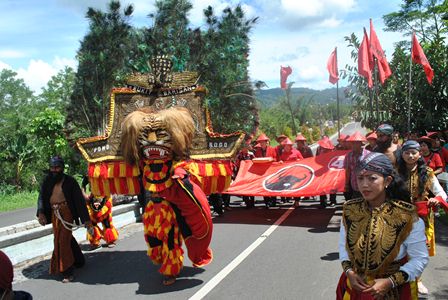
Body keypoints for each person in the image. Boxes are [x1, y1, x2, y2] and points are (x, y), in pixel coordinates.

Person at [337, 152, 429, 299]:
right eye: (360, 178)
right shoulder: (350, 210)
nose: (364, 184)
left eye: (372, 178)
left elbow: (420, 258)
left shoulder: (406, 216)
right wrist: (349, 272)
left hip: (394, 291)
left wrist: (390, 282)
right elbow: (344, 246)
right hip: (356, 287)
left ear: (387, 181)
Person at [396, 140, 447, 295]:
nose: (410, 156)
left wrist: (435, 200)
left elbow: (441, 194)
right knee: (399, 249)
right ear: (402, 154)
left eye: (414, 152)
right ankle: (400, 277)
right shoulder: (395, 172)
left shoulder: (428, 172)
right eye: (407, 152)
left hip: (421, 218)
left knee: (418, 251)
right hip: (399, 216)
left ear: (419, 154)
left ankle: (417, 280)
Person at [36, 156, 91, 283]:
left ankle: (67, 271)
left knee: (63, 240)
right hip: (55, 213)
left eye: (57, 167)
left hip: (67, 212)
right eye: (52, 167)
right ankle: (79, 260)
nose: (54, 170)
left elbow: (79, 201)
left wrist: (86, 220)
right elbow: (41, 198)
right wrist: (41, 213)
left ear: (62, 168)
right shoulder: (47, 181)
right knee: (63, 238)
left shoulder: (70, 182)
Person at [343, 131, 370, 201]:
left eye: (356, 143)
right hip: (354, 186)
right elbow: (348, 171)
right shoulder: (348, 156)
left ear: (361, 143)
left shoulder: (368, 154)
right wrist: (346, 184)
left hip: (366, 186)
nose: (354, 145)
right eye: (352, 143)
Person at [253, 133, 277, 208]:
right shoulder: (257, 151)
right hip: (262, 172)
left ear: (266, 142)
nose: (262, 143)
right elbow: (256, 160)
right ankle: (267, 202)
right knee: (263, 186)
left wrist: (271, 160)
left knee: (272, 186)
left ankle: (273, 201)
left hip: (271, 171)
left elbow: (276, 159)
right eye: (261, 142)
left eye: (263, 142)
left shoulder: (272, 149)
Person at [316, 136, 337, 207]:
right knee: (321, 186)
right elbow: (316, 158)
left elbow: (335, 159)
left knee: (332, 186)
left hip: (330, 170)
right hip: (321, 170)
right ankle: (323, 201)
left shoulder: (333, 150)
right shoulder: (318, 149)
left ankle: (333, 201)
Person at [235, 144, 255, 208]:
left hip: (250, 174)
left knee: (251, 188)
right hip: (242, 175)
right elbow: (237, 165)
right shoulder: (239, 155)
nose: (245, 149)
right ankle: (247, 203)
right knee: (244, 188)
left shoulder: (251, 155)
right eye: (244, 148)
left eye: (246, 148)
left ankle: (252, 202)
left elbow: (255, 162)